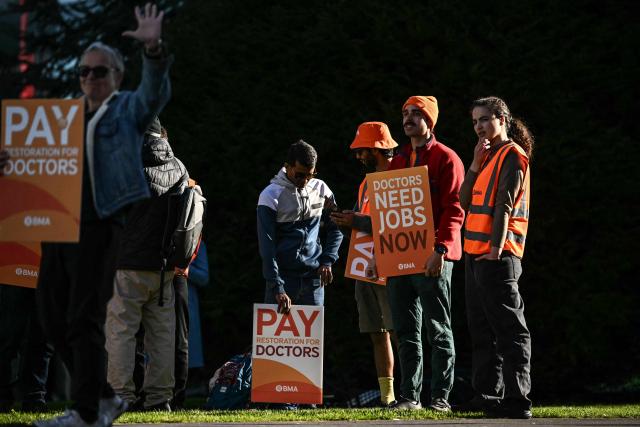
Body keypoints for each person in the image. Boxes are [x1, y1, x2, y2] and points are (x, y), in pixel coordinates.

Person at [31, 3, 173, 426]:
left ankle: (87, 412)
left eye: (99, 71)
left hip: (101, 223)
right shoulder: (62, 117)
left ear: (115, 77)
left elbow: (154, 94)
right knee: (52, 320)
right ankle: (107, 397)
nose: (89, 78)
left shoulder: (125, 109)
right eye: (84, 72)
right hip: (58, 223)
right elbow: (38, 164)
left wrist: (153, 49)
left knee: (84, 317)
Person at [385, 96, 465, 412]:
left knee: (438, 329)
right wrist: (384, 252)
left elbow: (455, 208)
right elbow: (389, 212)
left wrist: (441, 249)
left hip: (433, 257)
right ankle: (409, 397)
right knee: (406, 331)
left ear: (429, 120)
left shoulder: (446, 158)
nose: (407, 119)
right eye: (404, 113)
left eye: (415, 114)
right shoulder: (398, 160)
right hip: (400, 259)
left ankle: (441, 398)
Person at [105, 120, 188, 412]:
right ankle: (159, 399)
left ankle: (121, 397)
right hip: (163, 265)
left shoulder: (123, 163)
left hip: (127, 264)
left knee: (121, 332)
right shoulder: (179, 167)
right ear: (162, 135)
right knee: (162, 335)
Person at [459, 96, 533, 419]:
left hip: (497, 255)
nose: (480, 127)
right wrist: (474, 163)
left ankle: (518, 400)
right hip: (475, 255)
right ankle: (488, 395)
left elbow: (504, 204)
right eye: (475, 121)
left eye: (486, 119)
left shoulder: (513, 155)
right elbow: (462, 200)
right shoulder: (487, 156)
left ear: (502, 119)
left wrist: (495, 248)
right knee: (481, 329)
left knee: (509, 329)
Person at [330, 122, 398, 407]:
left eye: (362, 150)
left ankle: (408, 394)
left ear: (378, 149)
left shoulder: (399, 178)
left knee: (397, 331)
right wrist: (349, 219)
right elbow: (366, 220)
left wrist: (356, 221)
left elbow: (400, 223)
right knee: (376, 333)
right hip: (364, 265)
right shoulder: (366, 182)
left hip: (392, 266)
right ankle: (388, 397)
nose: (358, 156)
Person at [257, 140, 343, 314]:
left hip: (313, 281)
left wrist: (327, 260)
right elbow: (267, 247)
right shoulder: (270, 195)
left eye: (310, 175)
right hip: (283, 280)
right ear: (287, 167)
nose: (305, 181)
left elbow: (337, 226)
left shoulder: (321, 189)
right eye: (300, 175)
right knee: (277, 341)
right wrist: (277, 287)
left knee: (312, 342)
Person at [0, 285, 53, 413]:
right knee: (9, 333)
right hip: (14, 270)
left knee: (42, 335)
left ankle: (35, 398)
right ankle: (3, 396)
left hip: (45, 270)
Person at [172, 240, 209, 410]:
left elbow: (204, 277)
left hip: (186, 304)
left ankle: (190, 387)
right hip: (160, 304)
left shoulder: (197, 242)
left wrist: (185, 270)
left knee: (186, 345)